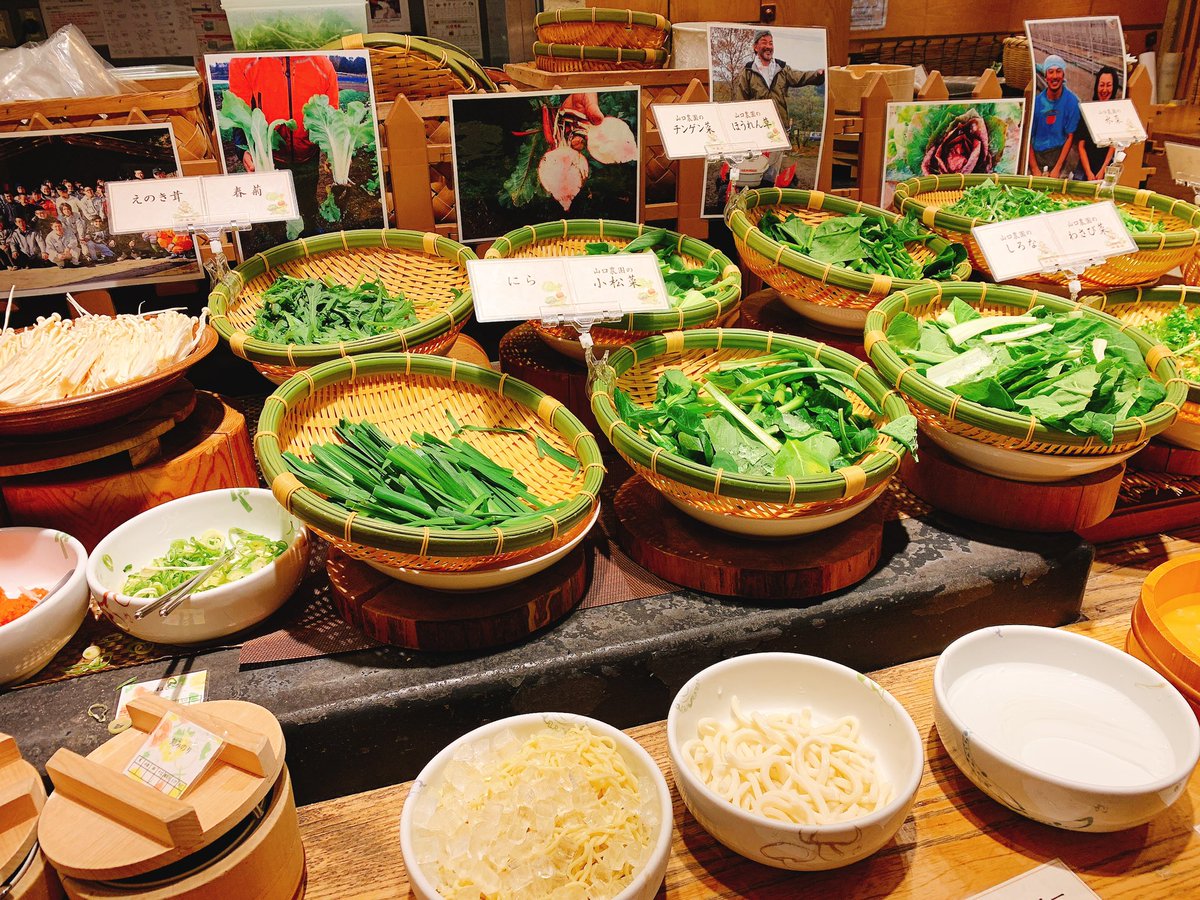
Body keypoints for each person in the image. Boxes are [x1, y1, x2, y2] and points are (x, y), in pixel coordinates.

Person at [732, 31, 825, 129]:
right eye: (764, 42)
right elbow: (740, 101)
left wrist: (817, 75)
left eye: (771, 43)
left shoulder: (782, 68)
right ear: (755, 47)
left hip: (780, 127)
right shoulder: (748, 71)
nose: (768, 46)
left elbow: (800, 77)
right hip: (758, 127)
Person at [1028, 54, 1081, 178]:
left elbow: (1070, 137)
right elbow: (1028, 138)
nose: (1055, 76)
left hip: (1060, 155)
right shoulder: (1036, 103)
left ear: (1063, 75)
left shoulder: (1072, 102)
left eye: (1058, 71)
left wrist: (1057, 168)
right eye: (1051, 72)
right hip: (1037, 155)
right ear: (1045, 77)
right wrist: (1034, 169)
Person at [1075, 66, 1121, 181]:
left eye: (1108, 85)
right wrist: (1089, 172)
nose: (1104, 90)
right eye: (1101, 85)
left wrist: (1102, 171)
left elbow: (1113, 146)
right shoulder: (1087, 111)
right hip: (1086, 166)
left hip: (1106, 166)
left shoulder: (1116, 113)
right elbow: (1081, 146)